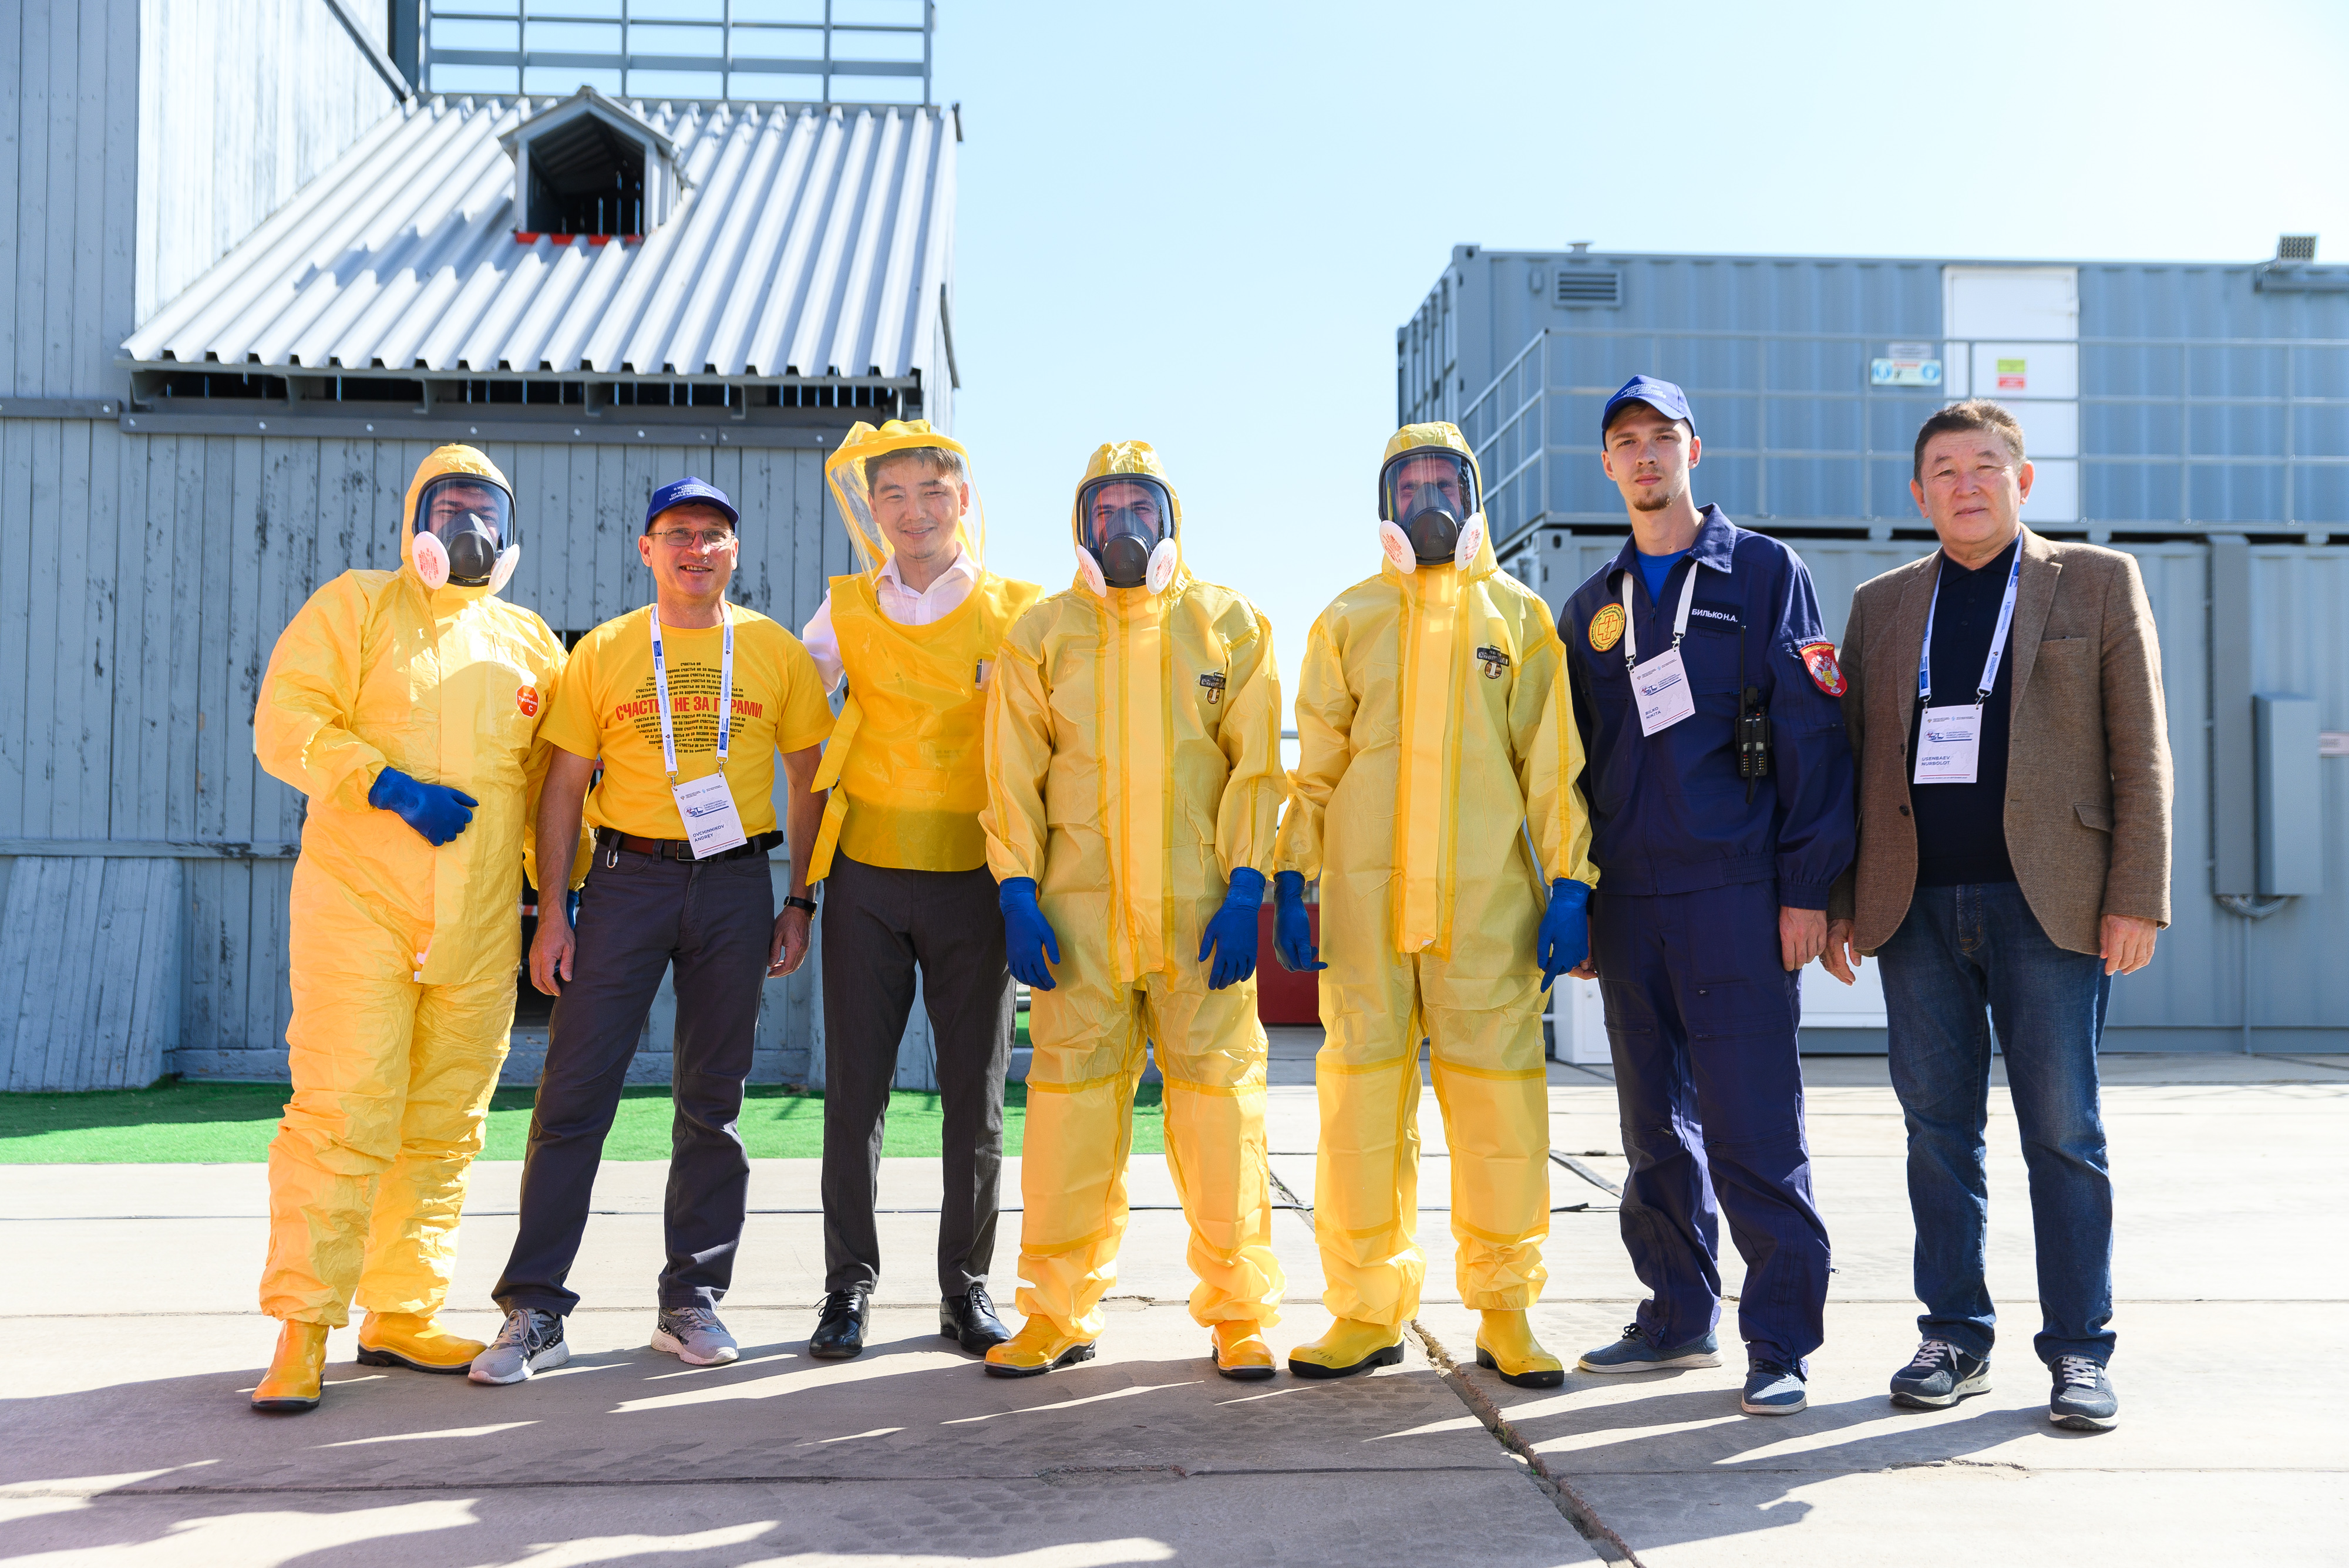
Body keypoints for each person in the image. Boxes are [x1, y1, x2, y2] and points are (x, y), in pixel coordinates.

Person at [1825, 400, 2169, 1434]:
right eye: (1944, 470)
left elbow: (2142, 748)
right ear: (1918, 492)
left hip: (2051, 904)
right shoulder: (1884, 604)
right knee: (1937, 1132)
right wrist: (1842, 901)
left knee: (2063, 1131)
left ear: (2023, 481)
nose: (1965, 484)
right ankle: (1954, 1336)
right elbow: (1850, 763)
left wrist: (2136, 894)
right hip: (1914, 905)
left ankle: (2080, 1349)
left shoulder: (2096, 580)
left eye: (1985, 465)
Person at [470, 477, 834, 1385]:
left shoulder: (776, 652)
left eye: (713, 534)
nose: (695, 549)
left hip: (737, 881)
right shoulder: (605, 650)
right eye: (677, 533)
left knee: (713, 1099)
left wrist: (801, 899)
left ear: (734, 551)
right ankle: (535, 1309)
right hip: (626, 880)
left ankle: (690, 1299)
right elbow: (563, 785)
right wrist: (554, 909)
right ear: (646, 549)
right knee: (573, 1091)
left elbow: (810, 779)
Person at [250, 445, 577, 1413]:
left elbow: (552, 791)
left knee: (442, 1128)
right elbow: (287, 719)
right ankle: (303, 1327)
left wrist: (563, 899)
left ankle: (400, 1312)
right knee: (341, 1114)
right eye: (450, 508)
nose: (467, 528)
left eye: (485, 511)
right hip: (359, 910)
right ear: (415, 521)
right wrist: (382, 782)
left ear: (510, 533)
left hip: (477, 928)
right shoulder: (354, 607)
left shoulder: (532, 645)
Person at [1277, 423, 1596, 1388]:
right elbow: (1317, 770)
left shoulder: (1519, 617)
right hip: (1368, 916)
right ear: (1386, 502)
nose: (1427, 502)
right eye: (1408, 486)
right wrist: (1292, 876)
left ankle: (1506, 1310)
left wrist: (1570, 880)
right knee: (1361, 1114)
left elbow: (1552, 766)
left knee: (1501, 1116)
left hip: (1487, 914)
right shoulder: (1348, 619)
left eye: (1442, 484)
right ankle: (1365, 1310)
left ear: (1472, 493)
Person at [1559, 376, 1853, 1416]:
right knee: (1653, 1127)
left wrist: (1808, 889)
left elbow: (1815, 735)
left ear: (1695, 449)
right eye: (1626, 442)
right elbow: (1570, 766)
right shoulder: (1590, 609)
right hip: (1629, 900)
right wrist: (1580, 899)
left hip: (1736, 892)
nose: (1645, 456)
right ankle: (1679, 1312)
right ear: (1606, 464)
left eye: (1662, 438)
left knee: (1752, 1123)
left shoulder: (1765, 572)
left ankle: (1781, 1341)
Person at [980, 441, 1287, 1379]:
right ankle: (1056, 1311)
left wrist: (1248, 886)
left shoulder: (1228, 623)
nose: (1124, 526)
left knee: (1223, 1123)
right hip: (1079, 928)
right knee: (1067, 1127)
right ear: (1081, 524)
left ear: (1170, 517)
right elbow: (1011, 773)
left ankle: (1240, 1314)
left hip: (1201, 926)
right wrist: (1017, 889)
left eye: (1139, 507)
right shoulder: (1041, 633)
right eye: (1105, 509)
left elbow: (1257, 768)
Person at [798, 421, 1042, 1361]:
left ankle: (965, 1288)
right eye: (893, 494)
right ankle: (846, 1288)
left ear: (962, 500)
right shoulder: (840, 611)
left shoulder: (1017, 612)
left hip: (977, 882)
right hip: (864, 876)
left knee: (975, 1098)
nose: (913, 511)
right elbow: (790, 721)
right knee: (854, 1095)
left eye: (932, 492)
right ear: (873, 507)